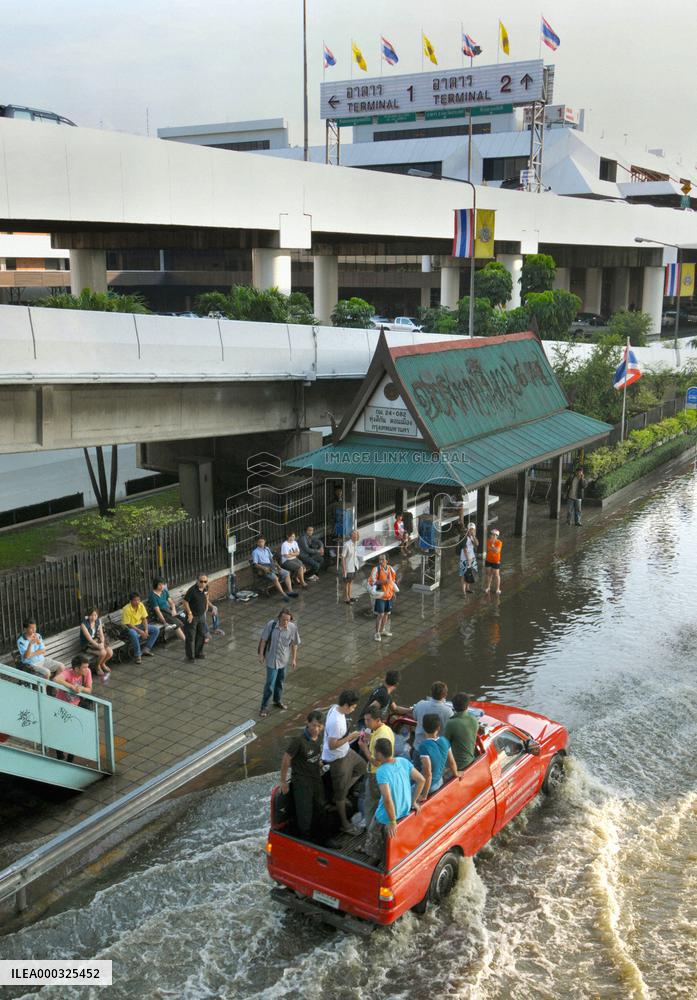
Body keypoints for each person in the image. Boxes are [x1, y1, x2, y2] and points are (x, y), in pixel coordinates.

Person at [361, 737, 425, 866]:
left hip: (385, 819)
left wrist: (392, 821)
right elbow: (421, 780)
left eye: (374, 751)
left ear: (379, 754)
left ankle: (372, 869)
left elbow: (387, 799)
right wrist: (413, 802)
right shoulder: (403, 761)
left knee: (374, 851)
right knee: (390, 851)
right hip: (403, 813)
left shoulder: (381, 771)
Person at [322, 689, 366, 834]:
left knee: (363, 767)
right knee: (340, 796)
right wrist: (351, 737)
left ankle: (342, 792)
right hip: (338, 759)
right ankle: (345, 824)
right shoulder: (336, 722)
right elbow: (331, 745)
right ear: (346, 705)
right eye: (353, 707)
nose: (354, 709)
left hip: (347, 752)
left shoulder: (335, 707)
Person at [279, 710, 324, 840]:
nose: (316, 729)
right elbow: (286, 759)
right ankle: (305, 841)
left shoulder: (319, 737)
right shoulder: (298, 741)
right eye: (313, 725)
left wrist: (320, 762)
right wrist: (283, 781)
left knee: (320, 807)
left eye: (319, 726)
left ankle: (322, 838)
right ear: (308, 723)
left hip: (316, 778)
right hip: (302, 782)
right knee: (305, 814)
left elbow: (316, 754)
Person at [258, 609, 301, 718]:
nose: (286, 622)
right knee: (269, 684)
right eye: (283, 619)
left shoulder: (292, 628)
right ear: (279, 618)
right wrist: (261, 655)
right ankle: (264, 707)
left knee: (280, 682)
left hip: (283, 660)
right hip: (271, 660)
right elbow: (263, 640)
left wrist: (294, 659)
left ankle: (277, 700)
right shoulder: (271, 625)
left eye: (288, 620)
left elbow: (294, 644)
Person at [53, 654, 94, 761]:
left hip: (76, 706)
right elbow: (56, 679)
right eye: (84, 667)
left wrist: (81, 688)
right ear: (76, 668)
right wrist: (71, 686)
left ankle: (71, 757)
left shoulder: (87, 672)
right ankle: (59, 754)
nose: (87, 669)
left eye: (87, 666)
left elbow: (89, 690)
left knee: (74, 732)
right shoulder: (68, 673)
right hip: (62, 706)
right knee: (61, 732)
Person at [359, 702, 395, 822]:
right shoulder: (386, 729)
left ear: (378, 720)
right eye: (365, 720)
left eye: (369, 720)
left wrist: (364, 748)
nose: (366, 723)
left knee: (370, 803)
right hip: (385, 772)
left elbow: (377, 763)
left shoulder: (381, 737)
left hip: (376, 774)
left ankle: (370, 827)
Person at [416, 715, 459, 797]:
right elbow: (452, 762)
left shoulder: (424, 746)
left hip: (429, 787)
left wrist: (424, 795)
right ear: (438, 728)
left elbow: (428, 774)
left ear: (423, 728)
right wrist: (456, 774)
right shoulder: (444, 740)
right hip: (440, 781)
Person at [251, 535, 297, 601]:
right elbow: (255, 564)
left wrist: (278, 566)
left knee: (286, 573)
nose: (261, 543)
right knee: (275, 578)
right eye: (259, 542)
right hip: (264, 568)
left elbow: (272, 559)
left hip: (271, 566)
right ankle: (283, 594)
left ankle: (290, 591)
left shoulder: (267, 549)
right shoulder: (255, 552)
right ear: (257, 543)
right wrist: (264, 568)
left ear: (265, 542)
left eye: (262, 541)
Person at [412, 681, 453, 751]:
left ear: (431, 693)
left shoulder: (420, 704)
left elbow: (414, 717)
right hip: (437, 751)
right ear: (445, 695)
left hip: (418, 748)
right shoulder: (448, 712)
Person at [121, 593, 160, 664]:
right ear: (131, 601)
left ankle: (146, 649)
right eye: (135, 600)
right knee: (134, 634)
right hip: (131, 627)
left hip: (140, 625)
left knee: (156, 630)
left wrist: (146, 630)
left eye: (138, 600)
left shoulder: (141, 605)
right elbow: (128, 624)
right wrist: (140, 632)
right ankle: (138, 655)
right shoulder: (126, 609)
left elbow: (144, 619)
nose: (137, 602)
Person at [444, 692, 479, 771]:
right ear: (467, 706)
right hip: (469, 761)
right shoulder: (474, 719)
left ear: (453, 706)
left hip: (455, 765)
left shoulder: (451, 723)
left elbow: (444, 744)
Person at [368, 553, 397, 642]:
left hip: (389, 595)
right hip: (381, 595)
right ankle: (377, 633)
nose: (380, 561)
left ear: (387, 561)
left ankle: (382, 630)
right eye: (380, 560)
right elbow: (372, 582)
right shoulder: (376, 569)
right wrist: (383, 581)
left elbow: (392, 582)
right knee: (380, 614)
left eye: (382, 560)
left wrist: (394, 593)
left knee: (387, 613)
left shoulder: (391, 569)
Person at [78, 607, 113, 677]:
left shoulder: (98, 621)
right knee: (103, 653)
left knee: (110, 652)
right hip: (87, 644)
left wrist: (102, 643)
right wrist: (98, 645)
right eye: (91, 615)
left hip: (96, 641)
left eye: (95, 615)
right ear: (88, 615)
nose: (93, 617)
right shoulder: (83, 625)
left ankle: (102, 663)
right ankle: (97, 667)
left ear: (97, 616)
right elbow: (89, 639)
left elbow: (101, 635)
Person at [182, 574, 209, 662]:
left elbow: (207, 596)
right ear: (197, 581)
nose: (203, 583)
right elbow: (185, 602)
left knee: (201, 634)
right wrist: (189, 613)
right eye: (201, 581)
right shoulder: (192, 590)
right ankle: (190, 656)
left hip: (201, 615)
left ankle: (198, 652)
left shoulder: (206, 588)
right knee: (190, 637)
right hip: (193, 617)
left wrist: (207, 606)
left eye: (205, 582)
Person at [341, 529, 361, 604]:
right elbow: (343, 557)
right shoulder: (347, 545)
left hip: (354, 566)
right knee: (346, 582)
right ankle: (346, 598)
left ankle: (349, 596)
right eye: (355, 534)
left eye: (357, 534)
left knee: (351, 582)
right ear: (352, 536)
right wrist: (343, 569)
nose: (357, 536)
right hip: (348, 567)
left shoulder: (355, 543)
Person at [459, 523, 479, 596]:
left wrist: (473, 536)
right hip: (465, 559)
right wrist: (468, 559)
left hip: (472, 557)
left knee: (470, 573)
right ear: (467, 530)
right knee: (463, 574)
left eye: (473, 529)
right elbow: (465, 549)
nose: (471, 531)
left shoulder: (472, 537)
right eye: (470, 529)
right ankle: (463, 592)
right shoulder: (464, 537)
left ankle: (468, 588)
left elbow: (477, 544)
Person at [483, 528, 503, 595]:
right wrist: (494, 548)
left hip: (496, 561)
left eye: (495, 535)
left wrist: (493, 548)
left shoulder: (499, 542)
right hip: (488, 560)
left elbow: (497, 551)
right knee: (488, 574)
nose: (493, 536)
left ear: (497, 536)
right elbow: (491, 549)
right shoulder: (488, 541)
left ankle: (497, 588)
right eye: (492, 535)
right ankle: (488, 587)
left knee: (496, 575)